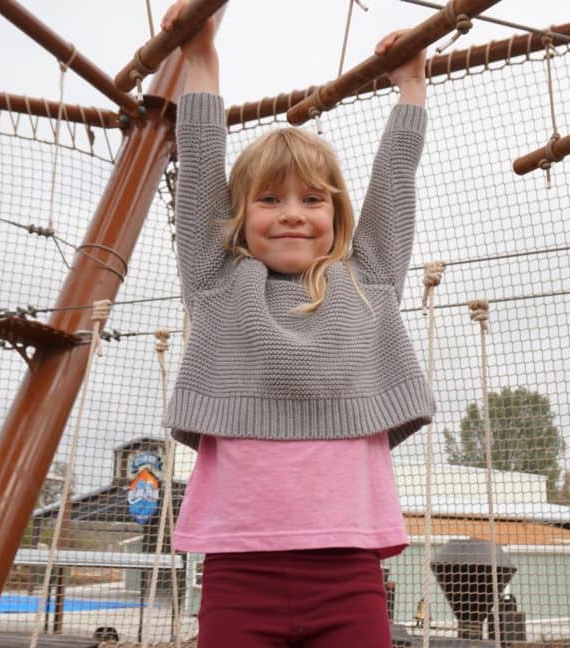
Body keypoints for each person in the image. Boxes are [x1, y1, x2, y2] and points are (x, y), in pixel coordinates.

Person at [161, 2, 435, 646]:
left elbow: (394, 181)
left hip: (349, 570)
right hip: (237, 570)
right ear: (238, 217)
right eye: (269, 199)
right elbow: (200, 168)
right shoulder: (217, 284)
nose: (291, 214)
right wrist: (201, 56)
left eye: (313, 200)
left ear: (338, 216)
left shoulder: (367, 284)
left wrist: (412, 87)